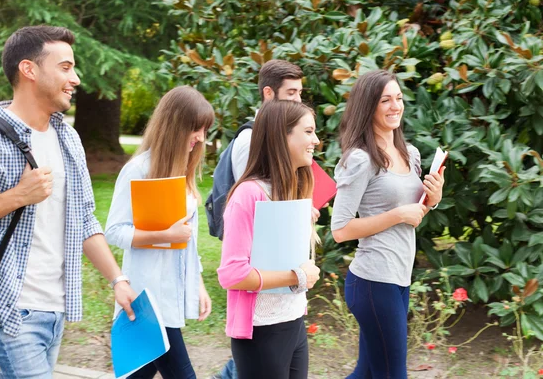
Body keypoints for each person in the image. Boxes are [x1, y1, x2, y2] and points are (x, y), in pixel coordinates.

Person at [0, 25, 137, 378]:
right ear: (29, 70)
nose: (75, 78)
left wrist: (118, 280)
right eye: (65, 67)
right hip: (6, 310)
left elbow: (84, 219)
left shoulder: (68, 137)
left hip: (56, 309)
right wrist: (17, 197)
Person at [330, 70, 445, 378]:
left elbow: (412, 216)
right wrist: (398, 215)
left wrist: (431, 200)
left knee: (366, 372)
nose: (396, 106)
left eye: (399, 98)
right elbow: (340, 230)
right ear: (369, 106)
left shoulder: (410, 154)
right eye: (385, 100)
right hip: (372, 281)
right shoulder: (361, 159)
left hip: (398, 278)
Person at [213, 59, 315, 379]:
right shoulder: (248, 194)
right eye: (309, 132)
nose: (315, 141)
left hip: (293, 320)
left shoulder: (295, 188)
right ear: (282, 138)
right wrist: (296, 275)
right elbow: (231, 274)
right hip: (261, 330)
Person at [105, 85, 215, 379]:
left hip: (170, 295)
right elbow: (114, 231)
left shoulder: (183, 170)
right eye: (196, 128)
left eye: (204, 129)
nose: (201, 137)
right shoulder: (138, 170)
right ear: (175, 125)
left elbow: (187, 240)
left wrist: (198, 283)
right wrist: (163, 235)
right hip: (149, 298)